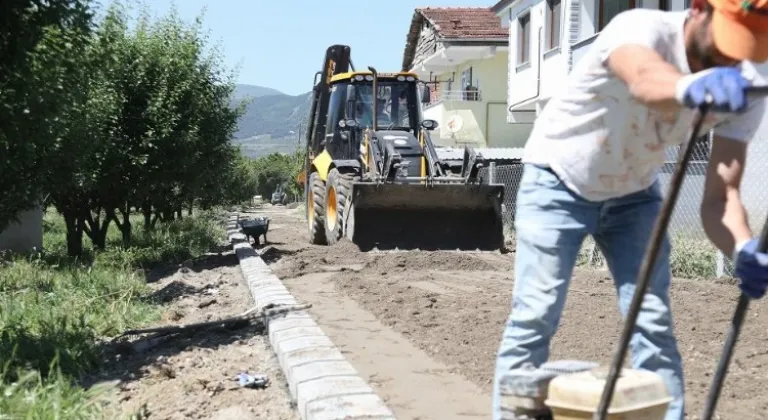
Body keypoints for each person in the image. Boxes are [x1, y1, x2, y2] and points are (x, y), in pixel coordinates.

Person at [492, 1, 768, 420]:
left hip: (635, 194)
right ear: (698, 9)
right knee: (536, 314)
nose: (734, 56)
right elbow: (642, 77)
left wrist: (743, 248)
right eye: (730, 40)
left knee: (652, 322)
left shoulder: (746, 83)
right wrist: (688, 88)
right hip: (558, 179)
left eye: (748, 47)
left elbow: (720, 196)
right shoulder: (641, 27)